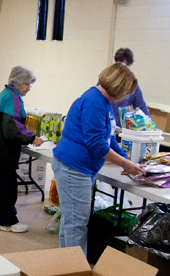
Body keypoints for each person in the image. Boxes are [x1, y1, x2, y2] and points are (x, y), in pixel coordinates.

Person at [52, 63, 145, 255]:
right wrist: (125, 163)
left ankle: (66, 266)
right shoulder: (94, 101)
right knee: (76, 224)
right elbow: (96, 143)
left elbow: (108, 137)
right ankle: (74, 272)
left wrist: (125, 158)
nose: (127, 96)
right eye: (126, 91)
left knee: (72, 222)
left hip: (81, 168)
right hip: (73, 168)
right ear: (118, 86)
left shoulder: (103, 102)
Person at [0, 66, 43, 233]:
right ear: (17, 82)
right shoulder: (12, 97)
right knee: (6, 186)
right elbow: (12, 126)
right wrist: (32, 138)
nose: (29, 88)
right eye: (27, 84)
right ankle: (8, 221)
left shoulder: (5, 94)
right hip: (1, 148)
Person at [112, 47, 151, 127]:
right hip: (108, 125)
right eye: (121, 65)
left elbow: (141, 106)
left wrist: (149, 125)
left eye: (126, 66)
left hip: (122, 128)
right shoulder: (108, 80)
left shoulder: (132, 85)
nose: (123, 69)